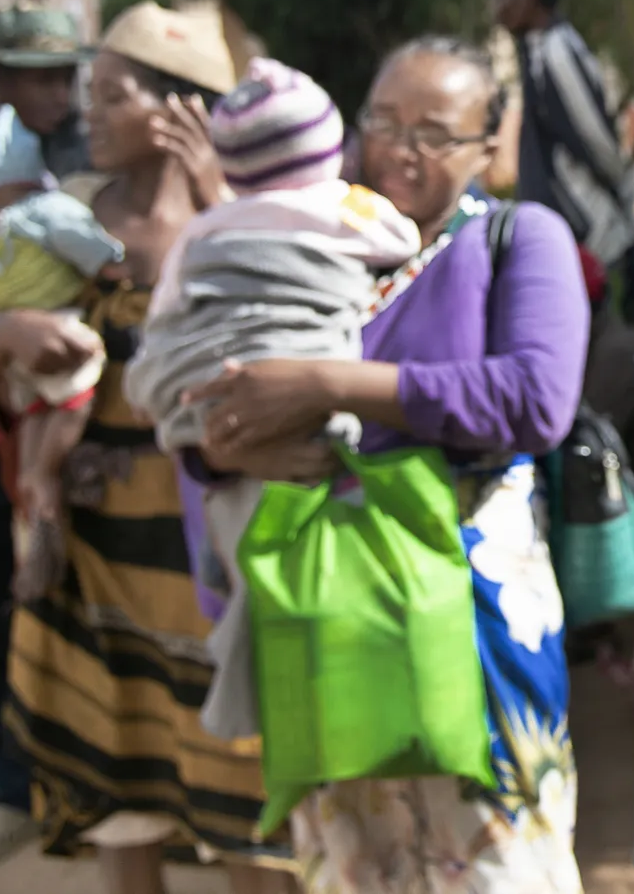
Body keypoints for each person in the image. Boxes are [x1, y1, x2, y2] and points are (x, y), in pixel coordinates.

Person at [187, 34, 589, 893]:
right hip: (328, 607)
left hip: (476, 613)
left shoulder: (520, 238)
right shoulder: (314, 244)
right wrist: (222, 442)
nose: (402, 149)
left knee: (498, 857)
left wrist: (327, 381)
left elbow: (534, 398)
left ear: (488, 145)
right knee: (355, 857)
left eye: (435, 132)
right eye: (385, 122)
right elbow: (217, 394)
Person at [0, 1, 294, 890]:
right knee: (120, 793)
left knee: (246, 793)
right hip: (100, 552)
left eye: (111, 94)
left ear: (183, 108)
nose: (85, 112)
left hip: (213, 555)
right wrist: (7, 333)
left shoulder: (259, 218)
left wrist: (216, 206)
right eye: (88, 95)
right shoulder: (61, 220)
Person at [126, 57, 419, 741]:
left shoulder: (204, 232)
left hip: (215, 399)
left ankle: (244, 672)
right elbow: (402, 242)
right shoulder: (355, 211)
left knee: (248, 547)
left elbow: (166, 320)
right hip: (322, 405)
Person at [0, 105, 126, 602]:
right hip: (61, 329)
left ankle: (33, 485)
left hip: (8, 357)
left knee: (35, 415)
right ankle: (43, 475)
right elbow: (97, 251)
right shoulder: (50, 209)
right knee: (74, 394)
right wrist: (117, 269)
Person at [491, 0, 634, 320]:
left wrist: (621, 192)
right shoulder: (537, 51)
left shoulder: (557, 51)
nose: (497, 8)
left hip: (592, 227)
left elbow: (593, 136)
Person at [0, 0, 93, 179]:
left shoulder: (85, 149)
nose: (62, 97)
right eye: (45, 81)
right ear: (2, 80)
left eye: (68, 80)